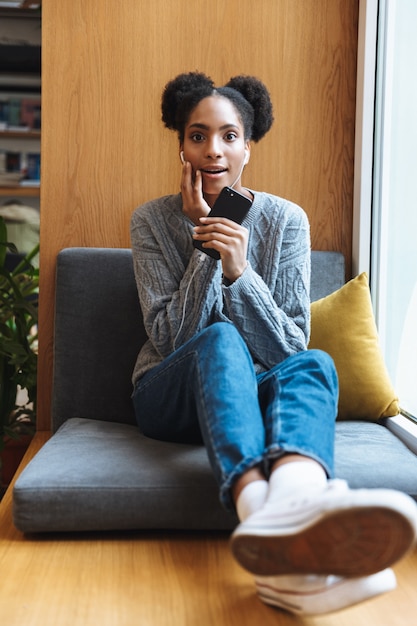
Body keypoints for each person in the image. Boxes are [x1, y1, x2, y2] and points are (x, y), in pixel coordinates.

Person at [130, 71, 417, 616]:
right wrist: (209, 247)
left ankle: (290, 530)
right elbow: (170, 340)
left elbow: (288, 349)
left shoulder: (286, 220)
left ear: (249, 147)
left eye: (229, 135)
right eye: (198, 135)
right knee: (220, 339)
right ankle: (263, 507)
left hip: (254, 390)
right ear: (181, 146)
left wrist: (242, 273)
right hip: (168, 397)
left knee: (315, 362)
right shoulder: (150, 221)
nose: (213, 149)